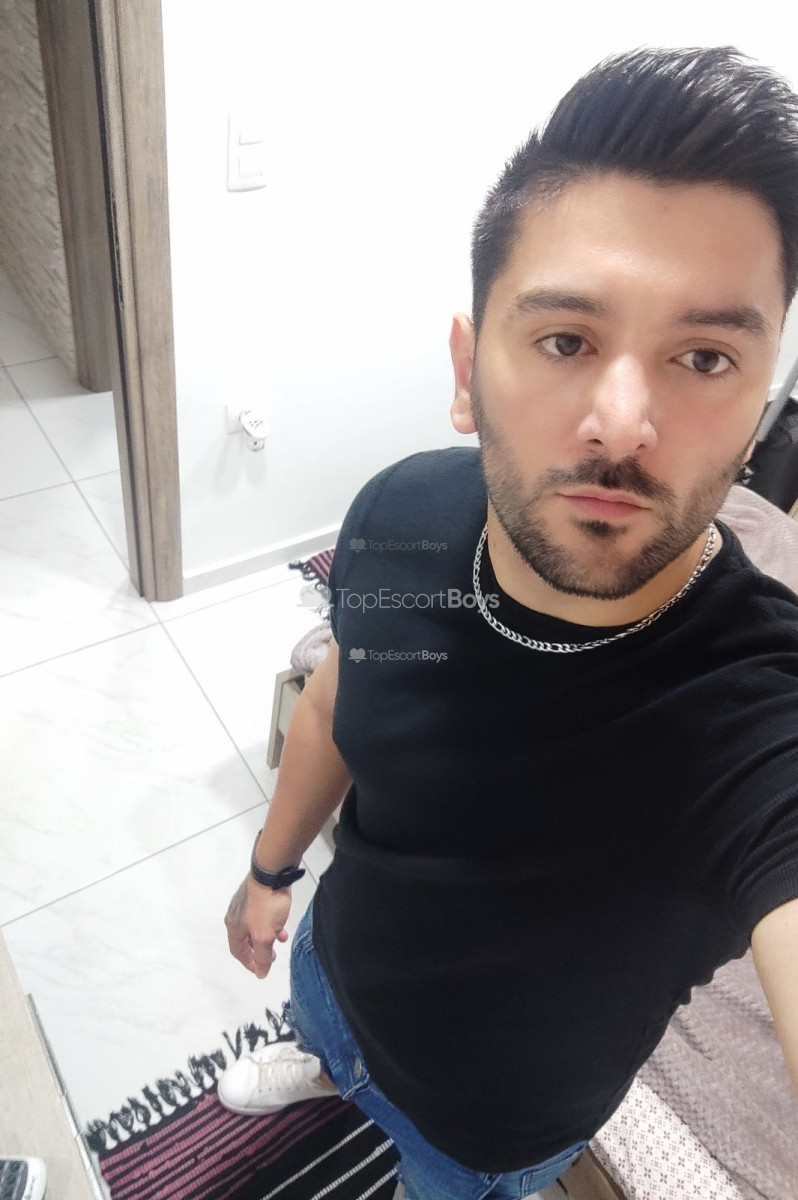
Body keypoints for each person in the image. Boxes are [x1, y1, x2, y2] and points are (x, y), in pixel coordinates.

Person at [223, 45, 798, 1200]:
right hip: (338, 973)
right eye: (566, 339)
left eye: (703, 357)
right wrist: (270, 869)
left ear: (758, 412)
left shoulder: (758, 718)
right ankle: (330, 1068)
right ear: (467, 371)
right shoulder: (398, 515)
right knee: (330, 1035)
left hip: (484, 1130)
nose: (622, 422)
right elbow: (339, 700)